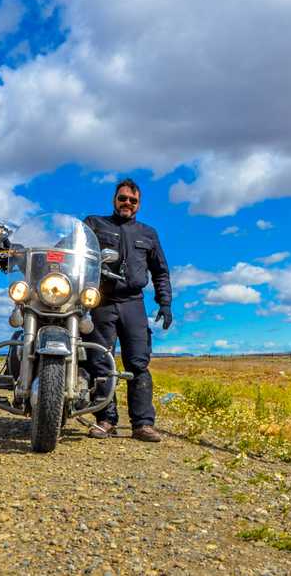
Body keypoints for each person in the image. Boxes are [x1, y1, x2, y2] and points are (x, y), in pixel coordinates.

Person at [83, 178, 173, 442]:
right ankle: (105, 420)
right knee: (100, 362)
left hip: (134, 303)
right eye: (123, 198)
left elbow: (160, 272)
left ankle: (143, 425)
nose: (127, 203)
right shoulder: (94, 224)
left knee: (138, 364)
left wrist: (165, 303)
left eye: (133, 200)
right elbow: (72, 251)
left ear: (139, 204)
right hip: (101, 301)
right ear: (114, 200)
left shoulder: (148, 233)